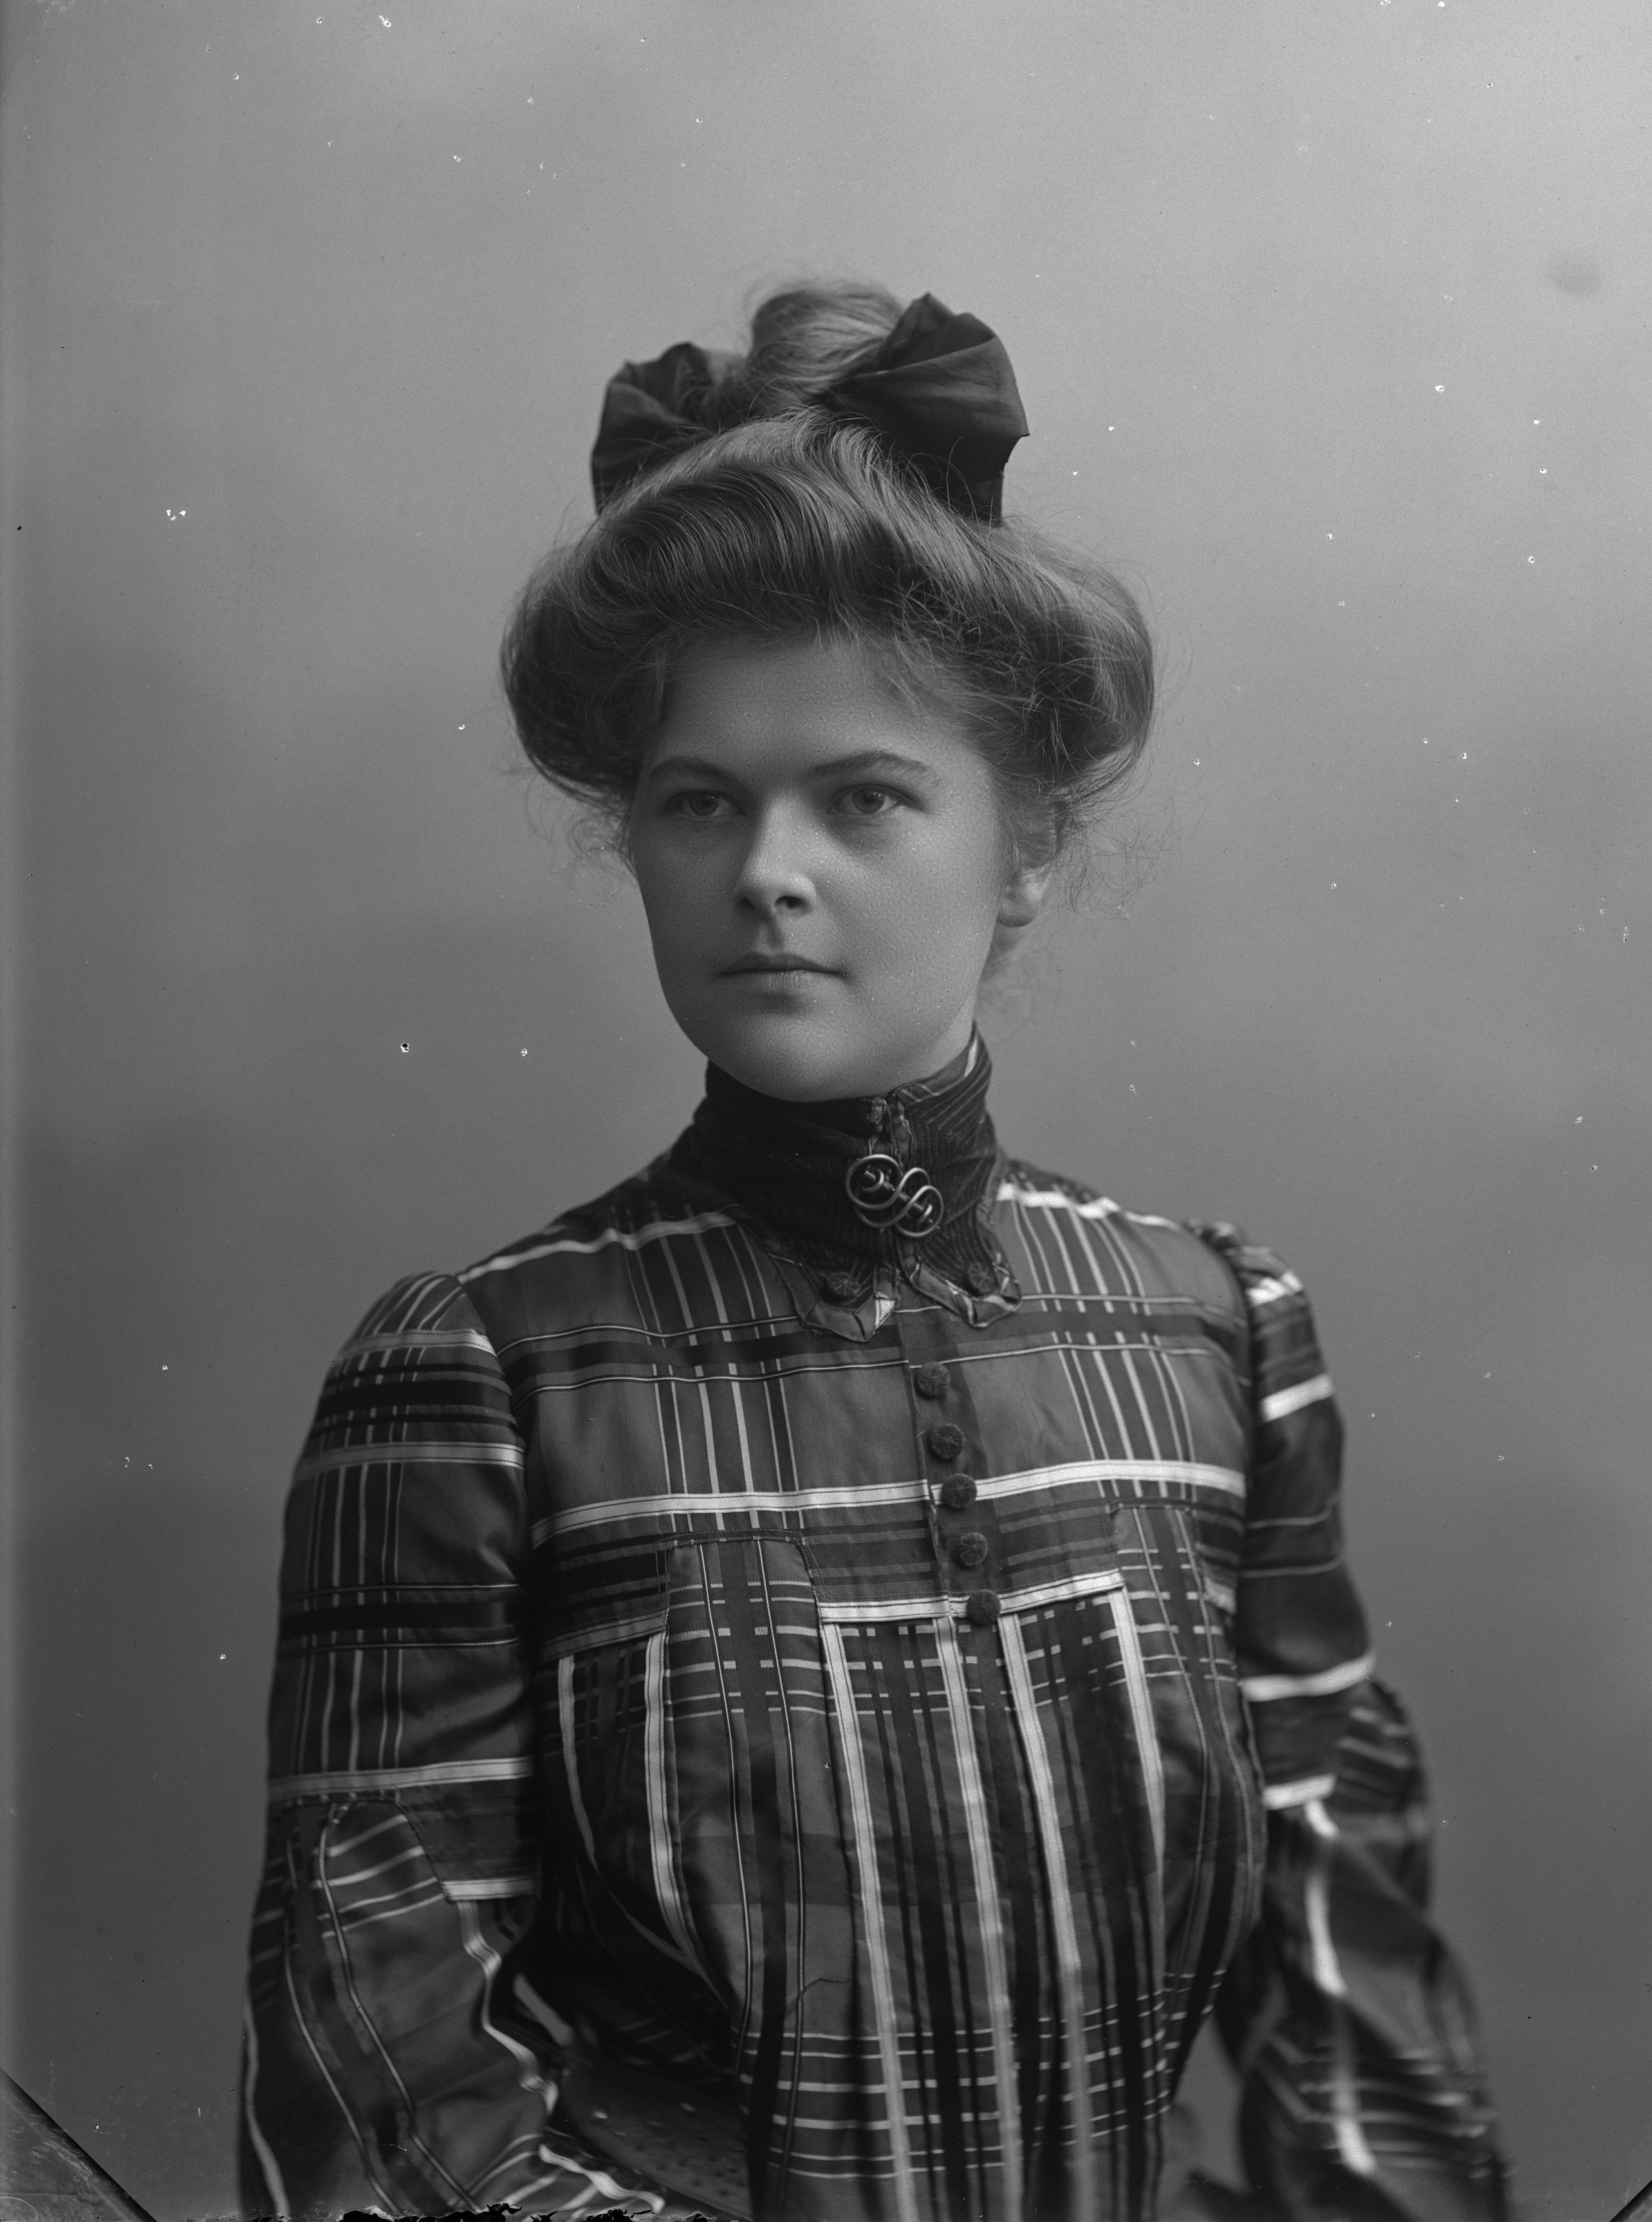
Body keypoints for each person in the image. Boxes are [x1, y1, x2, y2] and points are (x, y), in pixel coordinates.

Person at [239, 283, 1509, 2222]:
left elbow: (1366, 2043)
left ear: (1024, 845)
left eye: (863, 799)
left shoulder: (1216, 1335)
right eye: (699, 802)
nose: (767, 872)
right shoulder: (487, 1372)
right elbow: (382, 2094)